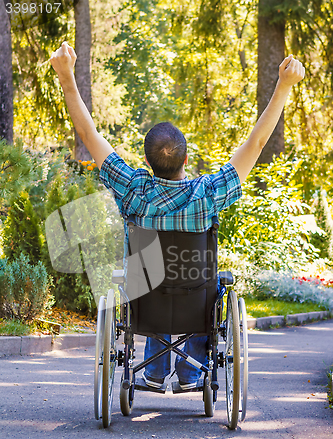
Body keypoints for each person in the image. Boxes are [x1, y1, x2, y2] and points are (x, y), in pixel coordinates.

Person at [51, 42, 305, 390]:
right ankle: (190, 374)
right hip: (195, 299)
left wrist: (66, 76)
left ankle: (154, 372)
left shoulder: (133, 188)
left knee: (147, 273)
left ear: (148, 161)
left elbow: (89, 134)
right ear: (185, 160)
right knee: (211, 287)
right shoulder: (207, 193)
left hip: (145, 299)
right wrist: (284, 85)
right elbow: (257, 144)